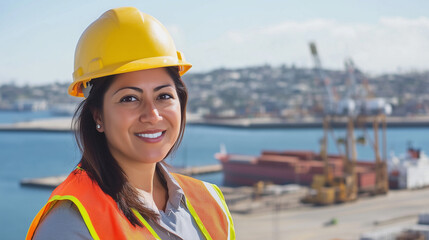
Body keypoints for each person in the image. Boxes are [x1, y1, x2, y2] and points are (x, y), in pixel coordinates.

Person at [26, 6, 235, 240]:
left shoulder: (210, 202)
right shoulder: (70, 224)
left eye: (163, 95)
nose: (152, 114)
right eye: (129, 98)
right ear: (98, 116)